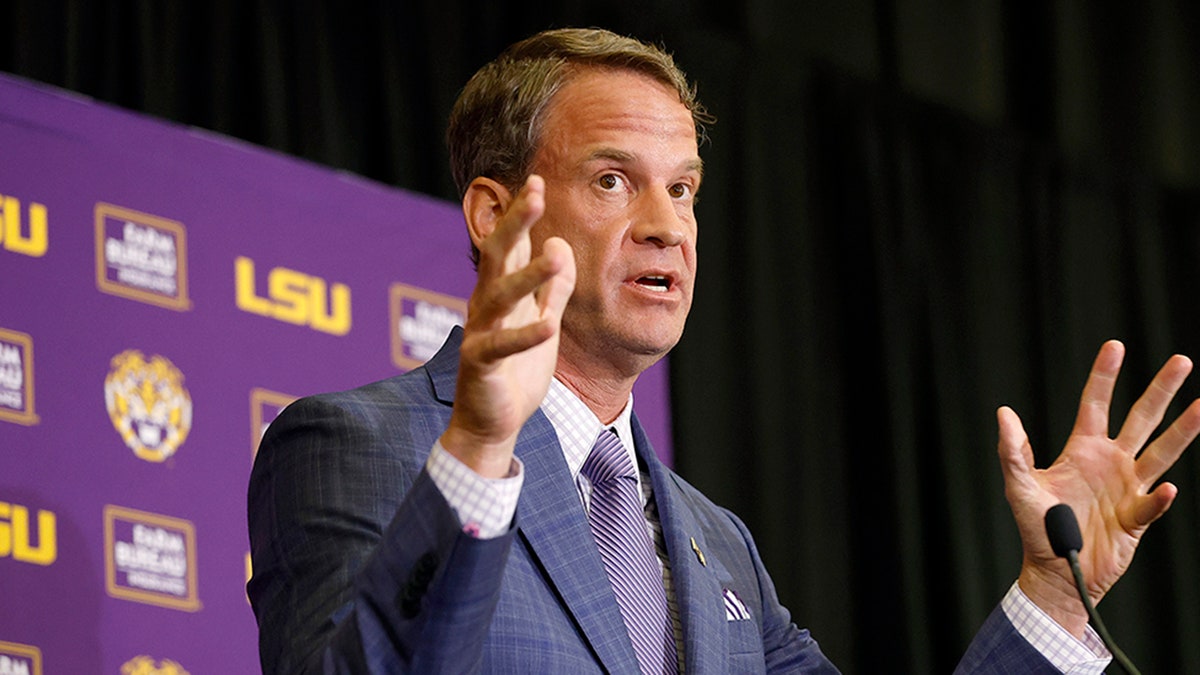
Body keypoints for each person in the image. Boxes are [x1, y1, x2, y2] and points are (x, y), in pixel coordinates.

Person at [247, 27, 1200, 673]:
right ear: (497, 215)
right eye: (615, 179)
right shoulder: (356, 444)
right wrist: (480, 449)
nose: (669, 227)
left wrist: (1051, 597)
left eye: (686, 189)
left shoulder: (721, 549)